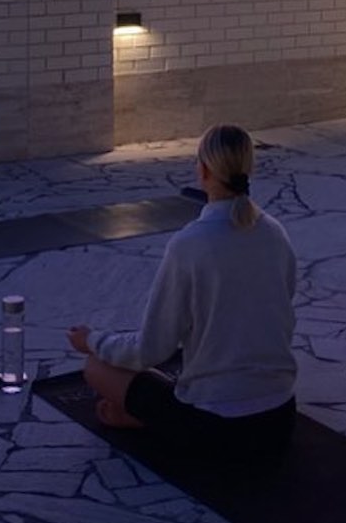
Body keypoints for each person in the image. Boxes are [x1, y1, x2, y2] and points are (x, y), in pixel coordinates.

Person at [68, 124, 297, 462]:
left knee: (96, 369)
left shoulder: (191, 243)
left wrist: (93, 341)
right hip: (279, 419)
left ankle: (149, 422)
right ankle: (149, 419)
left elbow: (151, 349)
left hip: (217, 429)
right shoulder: (275, 233)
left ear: (203, 170)